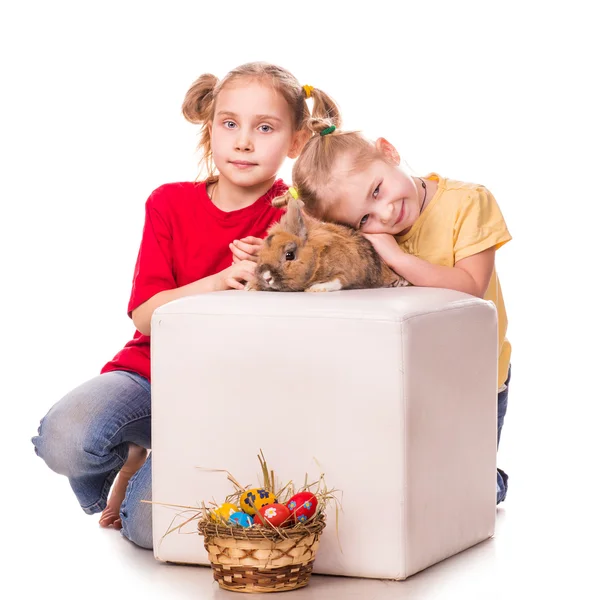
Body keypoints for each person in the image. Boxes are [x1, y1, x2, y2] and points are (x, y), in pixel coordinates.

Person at [31, 62, 341, 548]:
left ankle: (153, 465)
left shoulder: (297, 215)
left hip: (228, 395)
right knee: (66, 439)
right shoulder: (169, 203)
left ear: (296, 142)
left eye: (265, 128)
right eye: (230, 123)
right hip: (149, 371)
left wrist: (273, 272)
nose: (243, 142)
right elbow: (145, 315)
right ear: (210, 127)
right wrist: (218, 281)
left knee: (148, 530)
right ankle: (136, 446)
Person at [278, 118, 512, 504]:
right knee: (404, 484)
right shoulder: (366, 238)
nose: (384, 215)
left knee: (469, 495)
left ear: (389, 152)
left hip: (476, 378)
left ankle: (490, 479)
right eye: (364, 218)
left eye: (377, 190)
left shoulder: (467, 203)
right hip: (409, 383)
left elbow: (471, 287)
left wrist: (395, 255)